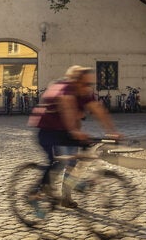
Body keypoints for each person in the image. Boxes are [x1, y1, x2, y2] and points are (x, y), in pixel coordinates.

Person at [28, 65, 120, 208]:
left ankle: (66, 196)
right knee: (59, 161)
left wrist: (112, 131)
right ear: (75, 81)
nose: (88, 87)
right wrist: (74, 131)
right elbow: (68, 110)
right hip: (47, 130)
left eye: (91, 84)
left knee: (75, 162)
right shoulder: (66, 89)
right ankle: (39, 189)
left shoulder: (85, 93)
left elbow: (99, 110)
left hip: (67, 131)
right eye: (86, 83)